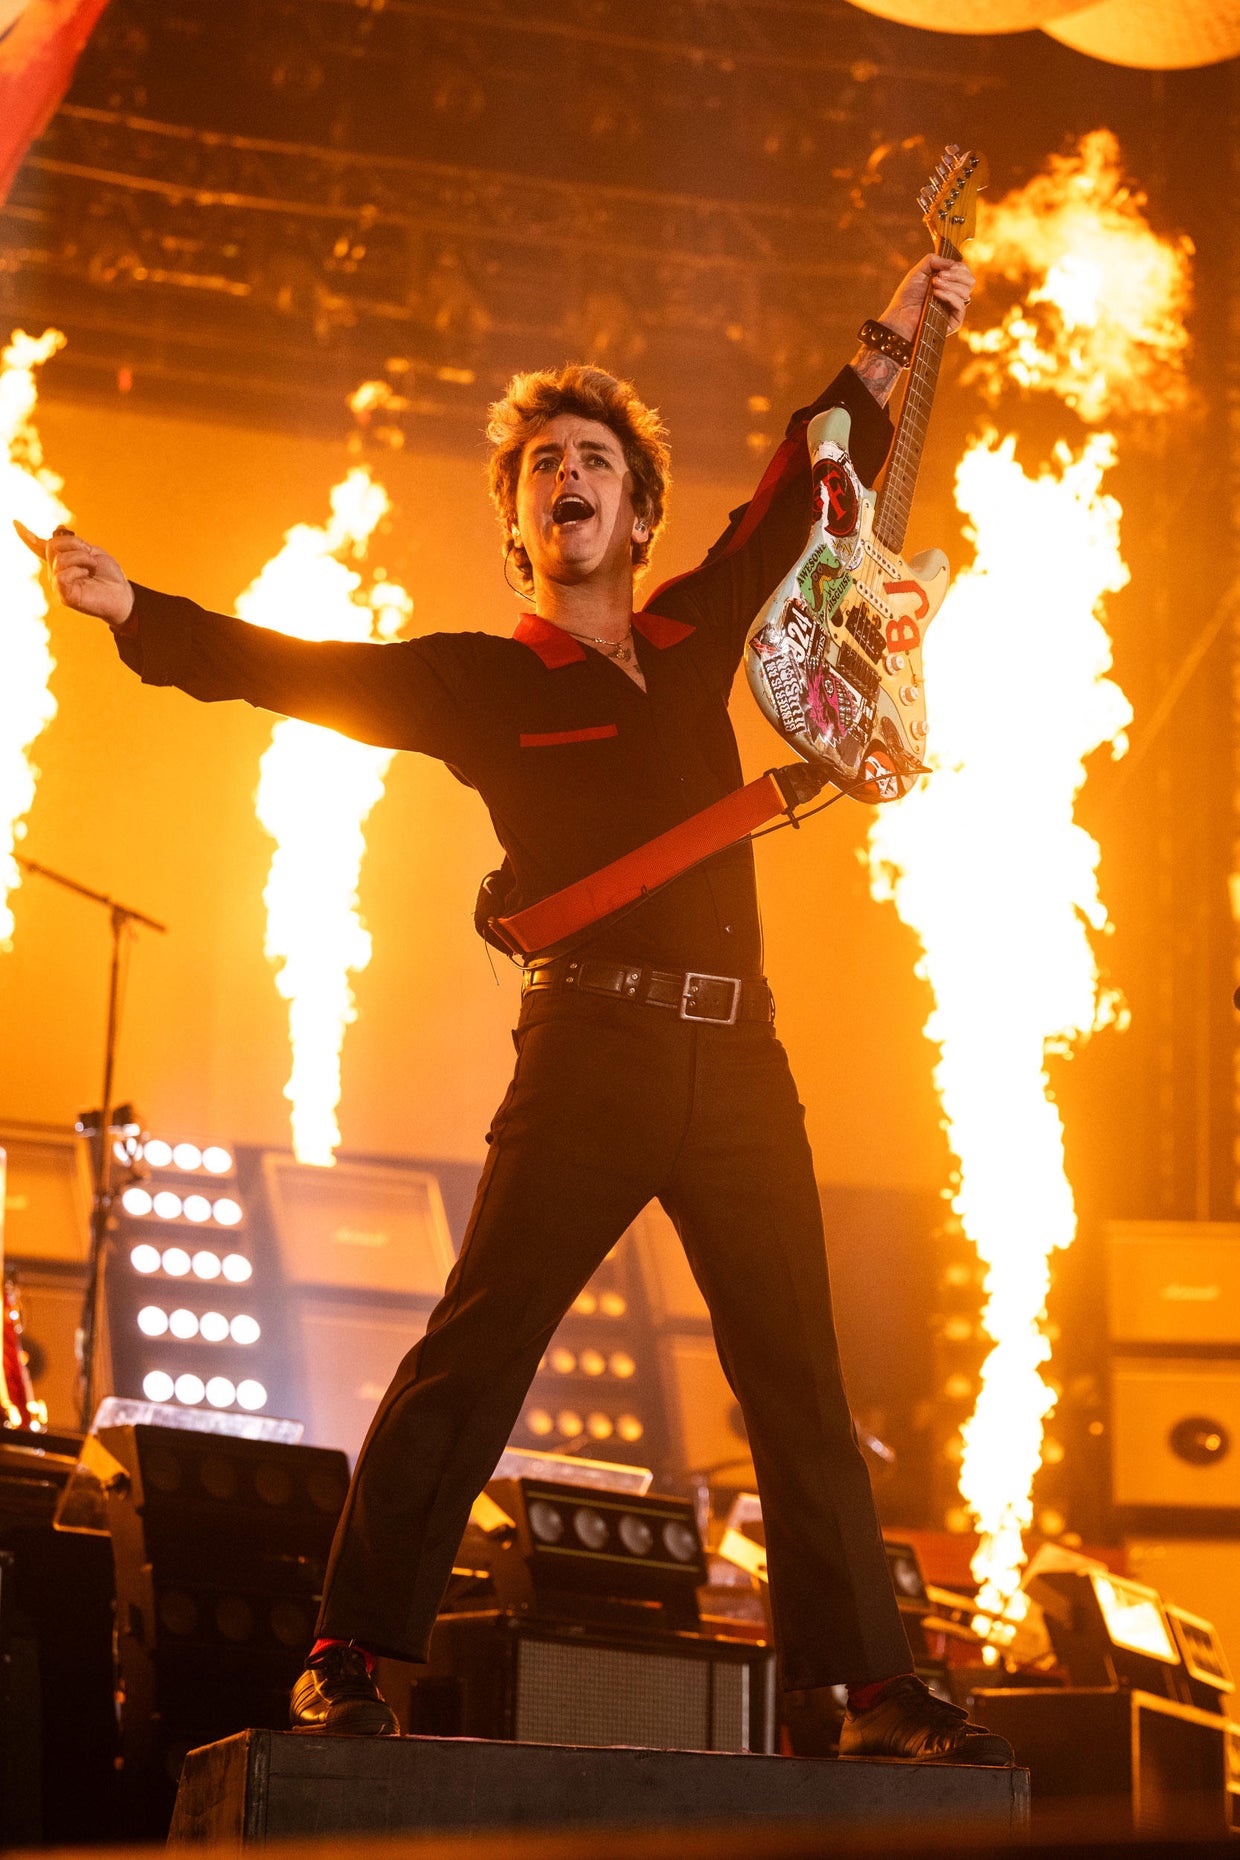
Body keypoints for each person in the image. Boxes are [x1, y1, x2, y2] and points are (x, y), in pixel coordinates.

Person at [18, 251, 1014, 1765]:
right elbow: (294, 671)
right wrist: (134, 608)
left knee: (798, 1373)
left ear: (634, 514)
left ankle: (868, 1691)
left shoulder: (696, 634)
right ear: (517, 524)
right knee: (474, 1352)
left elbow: (796, 479)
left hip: (738, 1057)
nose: (568, 474)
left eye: (595, 461)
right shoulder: (484, 681)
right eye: (544, 463)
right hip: (587, 1049)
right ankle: (347, 1655)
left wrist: (897, 330)